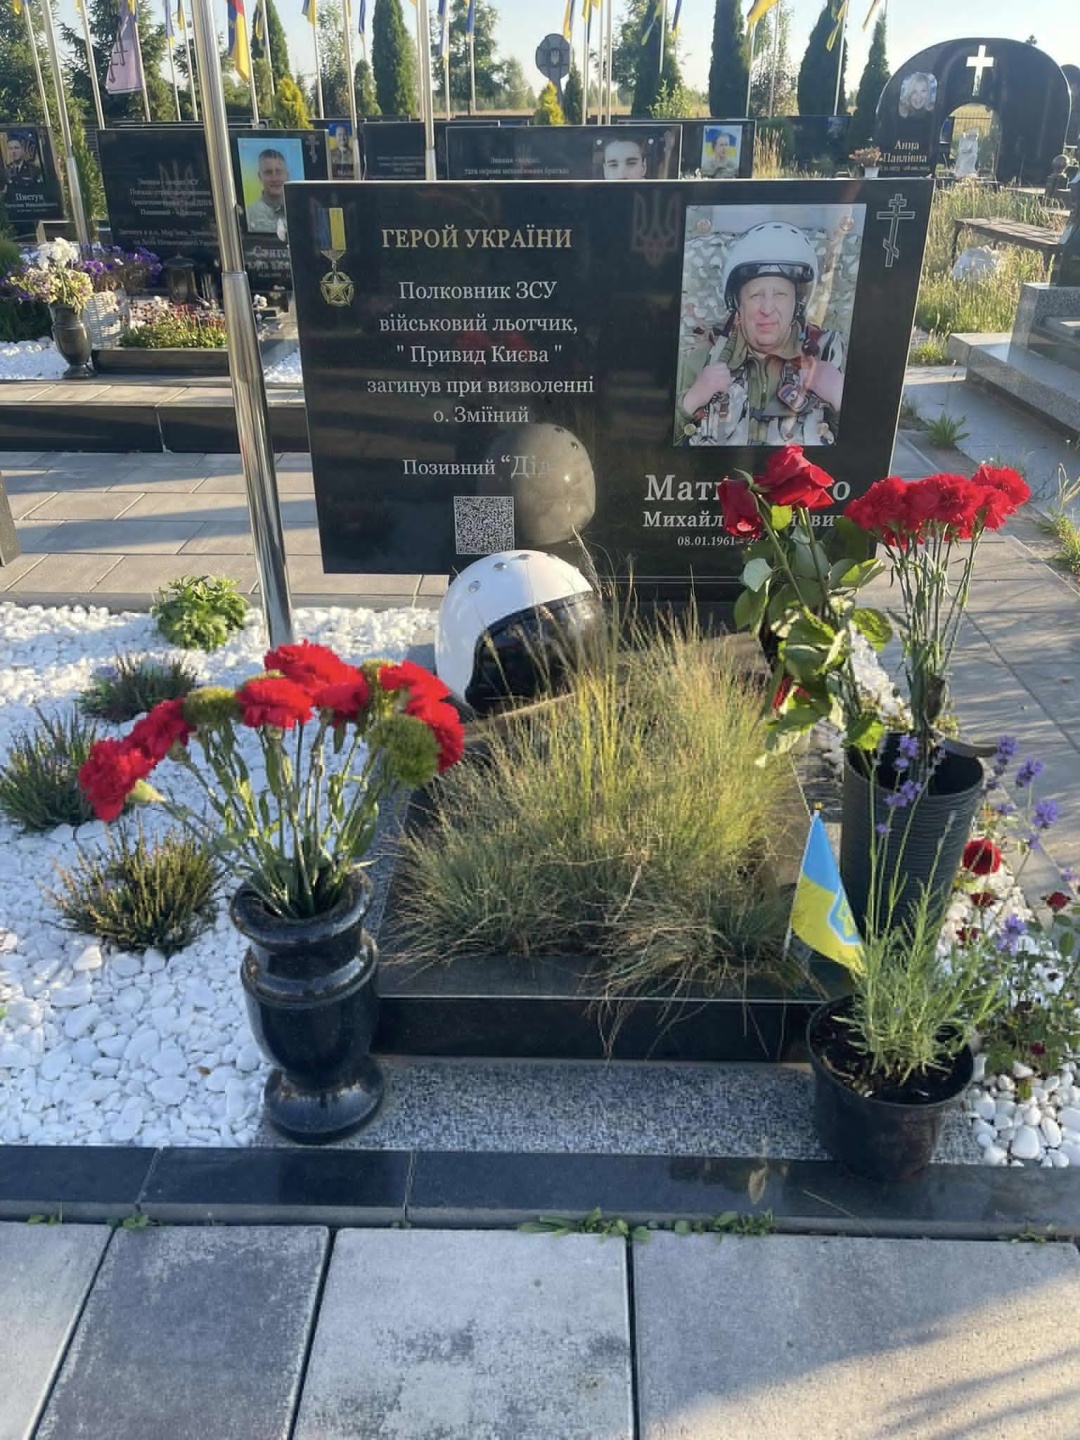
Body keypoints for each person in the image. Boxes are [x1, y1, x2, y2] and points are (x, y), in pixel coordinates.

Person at [676, 221, 846, 447]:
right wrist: (692, 400)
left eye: (780, 294)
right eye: (755, 295)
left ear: (797, 304)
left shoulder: (828, 357)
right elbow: (656, 443)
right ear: (738, 304)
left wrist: (840, 397)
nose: (767, 309)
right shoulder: (702, 362)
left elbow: (868, 446)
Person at [246, 149, 289, 233]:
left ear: (287, 175)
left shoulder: (300, 211)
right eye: (268, 172)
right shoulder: (249, 214)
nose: (274, 178)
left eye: (279, 172)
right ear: (260, 177)